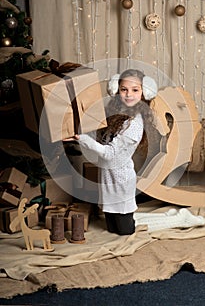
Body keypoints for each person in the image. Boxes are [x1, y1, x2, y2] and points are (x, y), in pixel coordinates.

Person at [64, 69, 158, 235]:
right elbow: (100, 140)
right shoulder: (116, 116)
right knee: (111, 229)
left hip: (121, 179)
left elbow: (108, 153)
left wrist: (82, 139)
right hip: (106, 176)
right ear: (116, 90)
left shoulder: (134, 124)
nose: (129, 95)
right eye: (124, 89)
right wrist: (76, 134)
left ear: (144, 93)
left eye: (135, 90)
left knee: (124, 231)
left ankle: (155, 221)